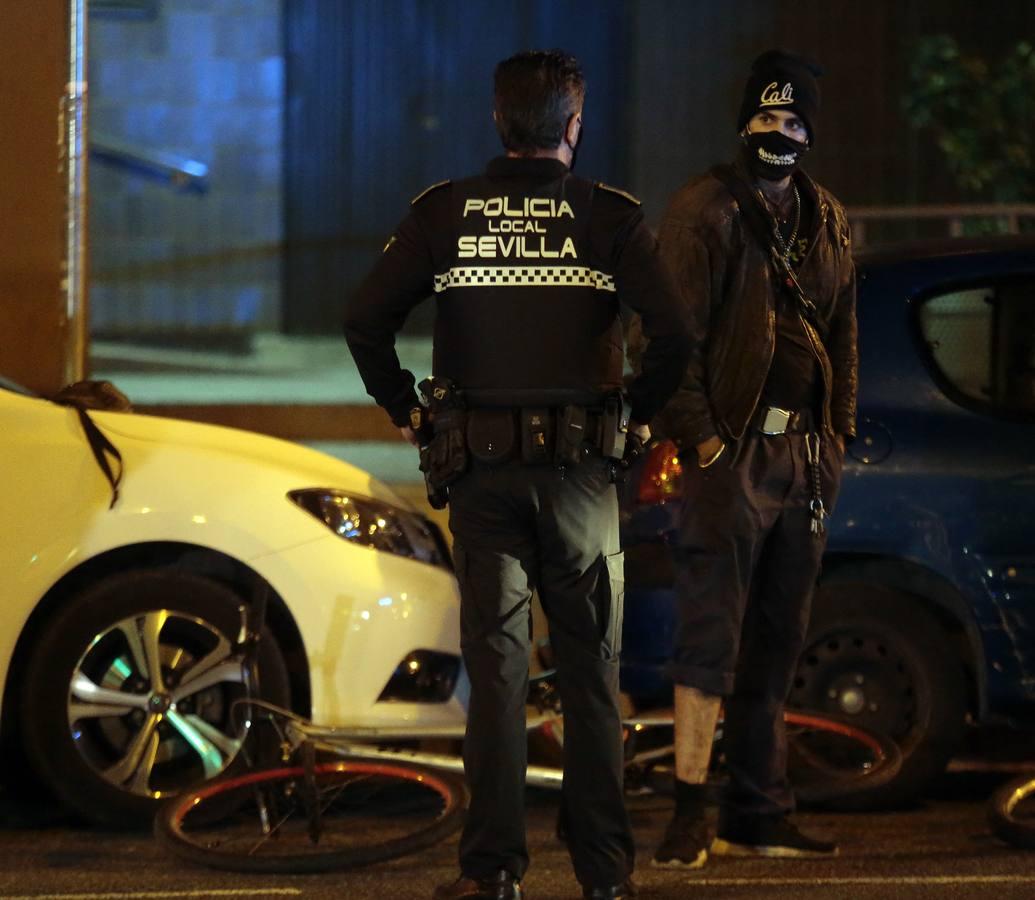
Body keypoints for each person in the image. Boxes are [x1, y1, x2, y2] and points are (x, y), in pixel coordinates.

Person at [344, 49, 690, 900]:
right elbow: (675, 333)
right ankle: (604, 877)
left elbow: (364, 320)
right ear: (574, 127)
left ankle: (492, 873)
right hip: (580, 479)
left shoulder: (444, 213)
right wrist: (636, 415)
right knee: (590, 679)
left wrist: (407, 409)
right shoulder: (610, 218)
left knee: (497, 677)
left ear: (498, 122)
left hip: (482, 479)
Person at [636, 49, 858, 868]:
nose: (779, 132)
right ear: (742, 123)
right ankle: (690, 812)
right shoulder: (705, 210)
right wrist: (704, 442)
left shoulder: (826, 216)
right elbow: (665, 341)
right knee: (708, 641)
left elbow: (843, 333)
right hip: (730, 460)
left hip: (800, 460)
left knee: (777, 640)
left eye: (793, 120)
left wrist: (832, 439)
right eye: (766, 118)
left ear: (810, 131)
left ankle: (757, 812)